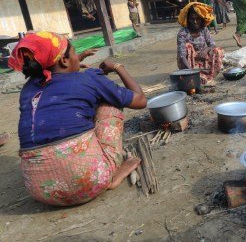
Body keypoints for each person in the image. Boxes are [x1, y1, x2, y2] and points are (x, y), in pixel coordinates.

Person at [8, 32, 147, 206]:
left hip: (41, 192)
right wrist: (118, 66)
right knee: (109, 103)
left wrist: (74, 63)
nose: (77, 56)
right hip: (90, 183)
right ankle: (111, 174)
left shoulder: (28, 89)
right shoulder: (88, 79)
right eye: (74, 52)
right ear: (64, 61)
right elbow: (140, 100)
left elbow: (59, 80)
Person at [176, 2, 224, 85]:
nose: (195, 22)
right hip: (188, 64)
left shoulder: (204, 29)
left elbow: (212, 44)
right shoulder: (182, 33)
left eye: (198, 19)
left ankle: (209, 75)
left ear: (201, 19)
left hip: (202, 61)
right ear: (188, 19)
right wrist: (192, 72)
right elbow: (182, 55)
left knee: (218, 50)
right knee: (188, 47)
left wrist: (206, 49)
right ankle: (194, 76)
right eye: (192, 19)